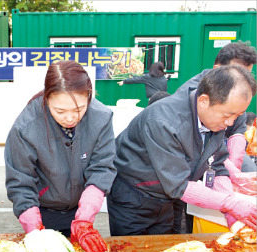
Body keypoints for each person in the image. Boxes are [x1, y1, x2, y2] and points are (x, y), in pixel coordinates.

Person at [107, 65, 256, 236]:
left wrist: (230, 211)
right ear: (203, 101)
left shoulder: (213, 118)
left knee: (162, 251)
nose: (230, 123)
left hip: (167, 199)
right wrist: (230, 204)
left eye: (237, 116)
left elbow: (217, 166)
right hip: (132, 197)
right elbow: (179, 186)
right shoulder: (165, 122)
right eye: (227, 115)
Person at [4, 60, 116, 252]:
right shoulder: (26, 127)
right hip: (42, 211)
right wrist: (35, 229)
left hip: (82, 209)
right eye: (60, 111)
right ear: (47, 99)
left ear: (89, 97)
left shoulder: (101, 118)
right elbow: (20, 183)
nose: (71, 118)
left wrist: (85, 218)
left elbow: (102, 168)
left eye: (79, 109)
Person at [174, 42, 257, 233]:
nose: (243, 80)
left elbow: (237, 129)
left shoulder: (237, 94)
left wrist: (232, 169)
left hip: (215, 157)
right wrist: (229, 200)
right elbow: (194, 155)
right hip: (187, 166)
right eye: (237, 72)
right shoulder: (193, 95)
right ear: (218, 69)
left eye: (248, 74)